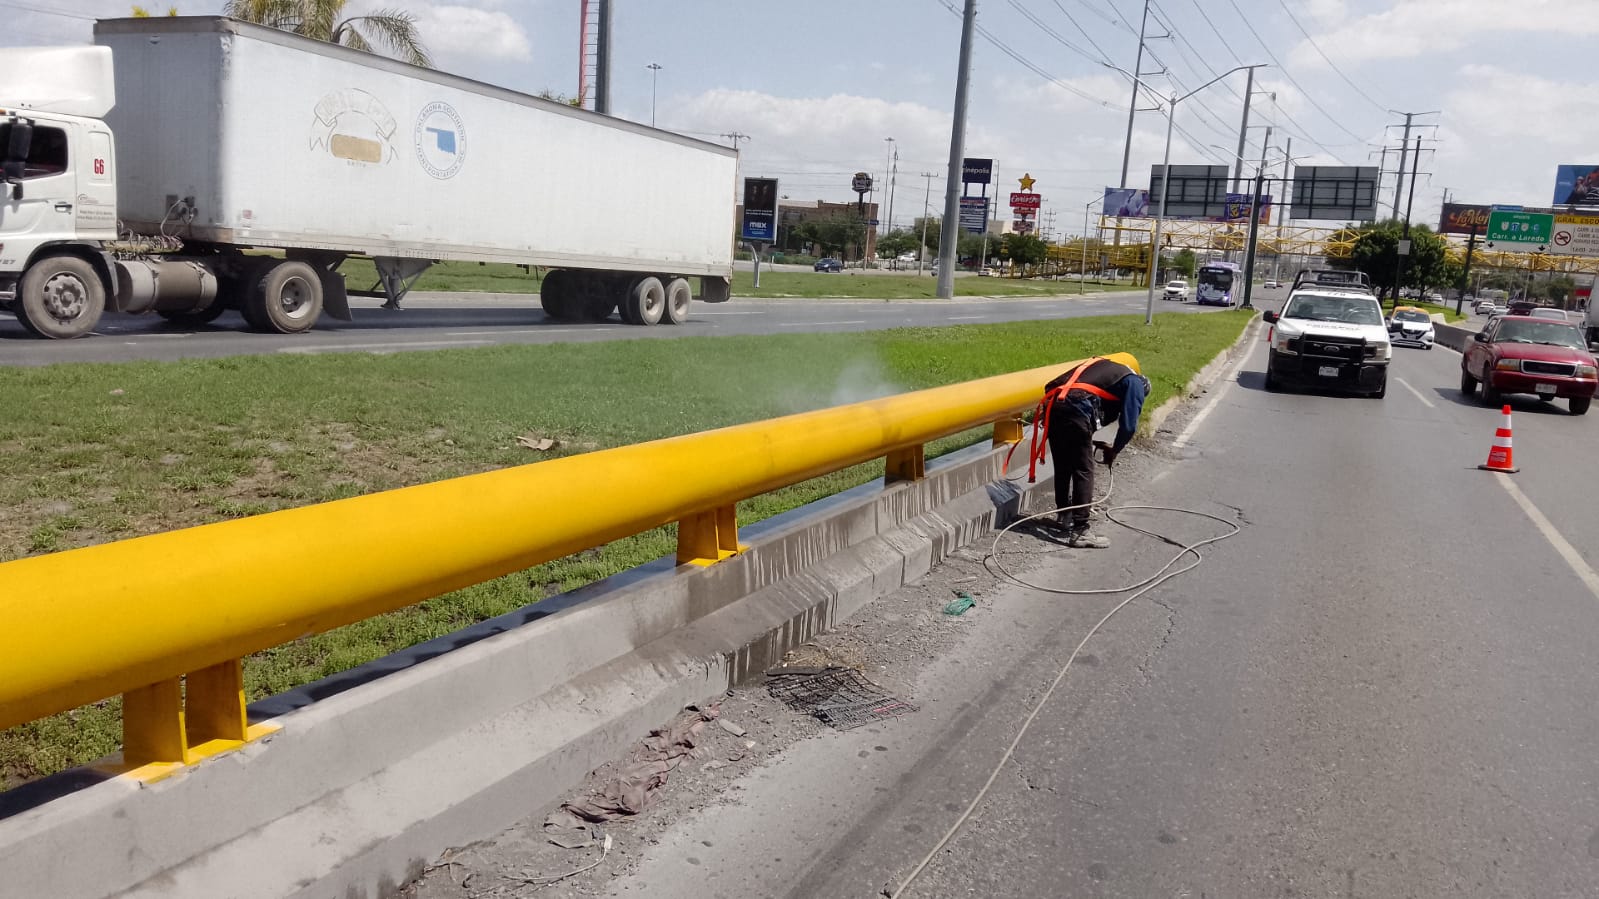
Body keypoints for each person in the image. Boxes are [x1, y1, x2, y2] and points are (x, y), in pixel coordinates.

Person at [1040, 355, 1149, 548]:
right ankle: (1081, 531)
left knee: (1063, 464)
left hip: (1054, 405)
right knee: (1083, 469)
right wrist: (1115, 450)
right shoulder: (1136, 383)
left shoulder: (1106, 369)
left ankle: (1064, 516)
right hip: (1076, 409)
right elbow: (1129, 426)